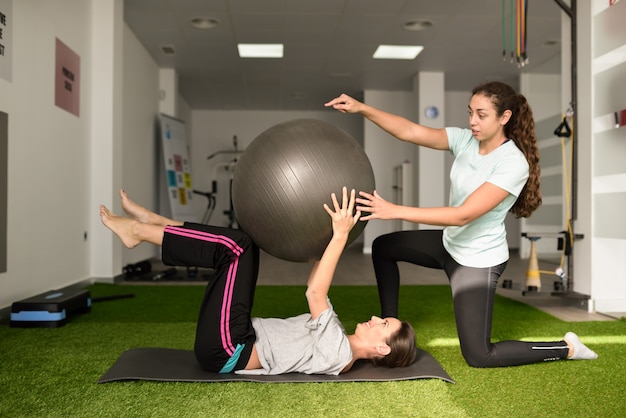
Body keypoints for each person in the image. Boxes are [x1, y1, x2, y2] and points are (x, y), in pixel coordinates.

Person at [325, 81, 598, 367]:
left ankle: (567, 347)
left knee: (479, 355)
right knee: (384, 247)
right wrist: (361, 108)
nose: (472, 121)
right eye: (470, 112)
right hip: (449, 243)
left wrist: (394, 210)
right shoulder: (465, 140)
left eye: (481, 115)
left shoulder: (512, 163)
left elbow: (463, 214)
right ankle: (389, 329)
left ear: (504, 117)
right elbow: (409, 131)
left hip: (478, 260)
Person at [100, 187, 417, 375]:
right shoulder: (338, 341)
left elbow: (315, 292)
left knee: (237, 247)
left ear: (381, 348)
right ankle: (158, 224)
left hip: (228, 348)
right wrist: (317, 242)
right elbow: (316, 280)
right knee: (239, 246)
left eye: (384, 324)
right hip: (233, 338)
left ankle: (140, 231)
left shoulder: (340, 353)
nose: (376, 318)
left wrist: (340, 236)